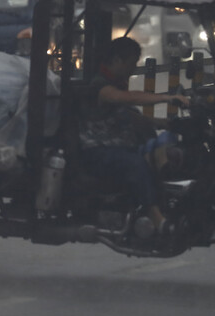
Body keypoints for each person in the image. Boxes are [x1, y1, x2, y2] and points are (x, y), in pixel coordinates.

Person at [79, 36, 189, 237]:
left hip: (119, 146)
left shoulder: (117, 83)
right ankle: (158, 219)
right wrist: (167, 97)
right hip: (98, 151)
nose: (133, 68)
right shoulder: (100, 85)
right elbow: (122, 98)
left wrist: (161, 123)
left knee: (161, 154)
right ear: (117, 61)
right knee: (135, 163)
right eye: (131, 63)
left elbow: (127, 114)